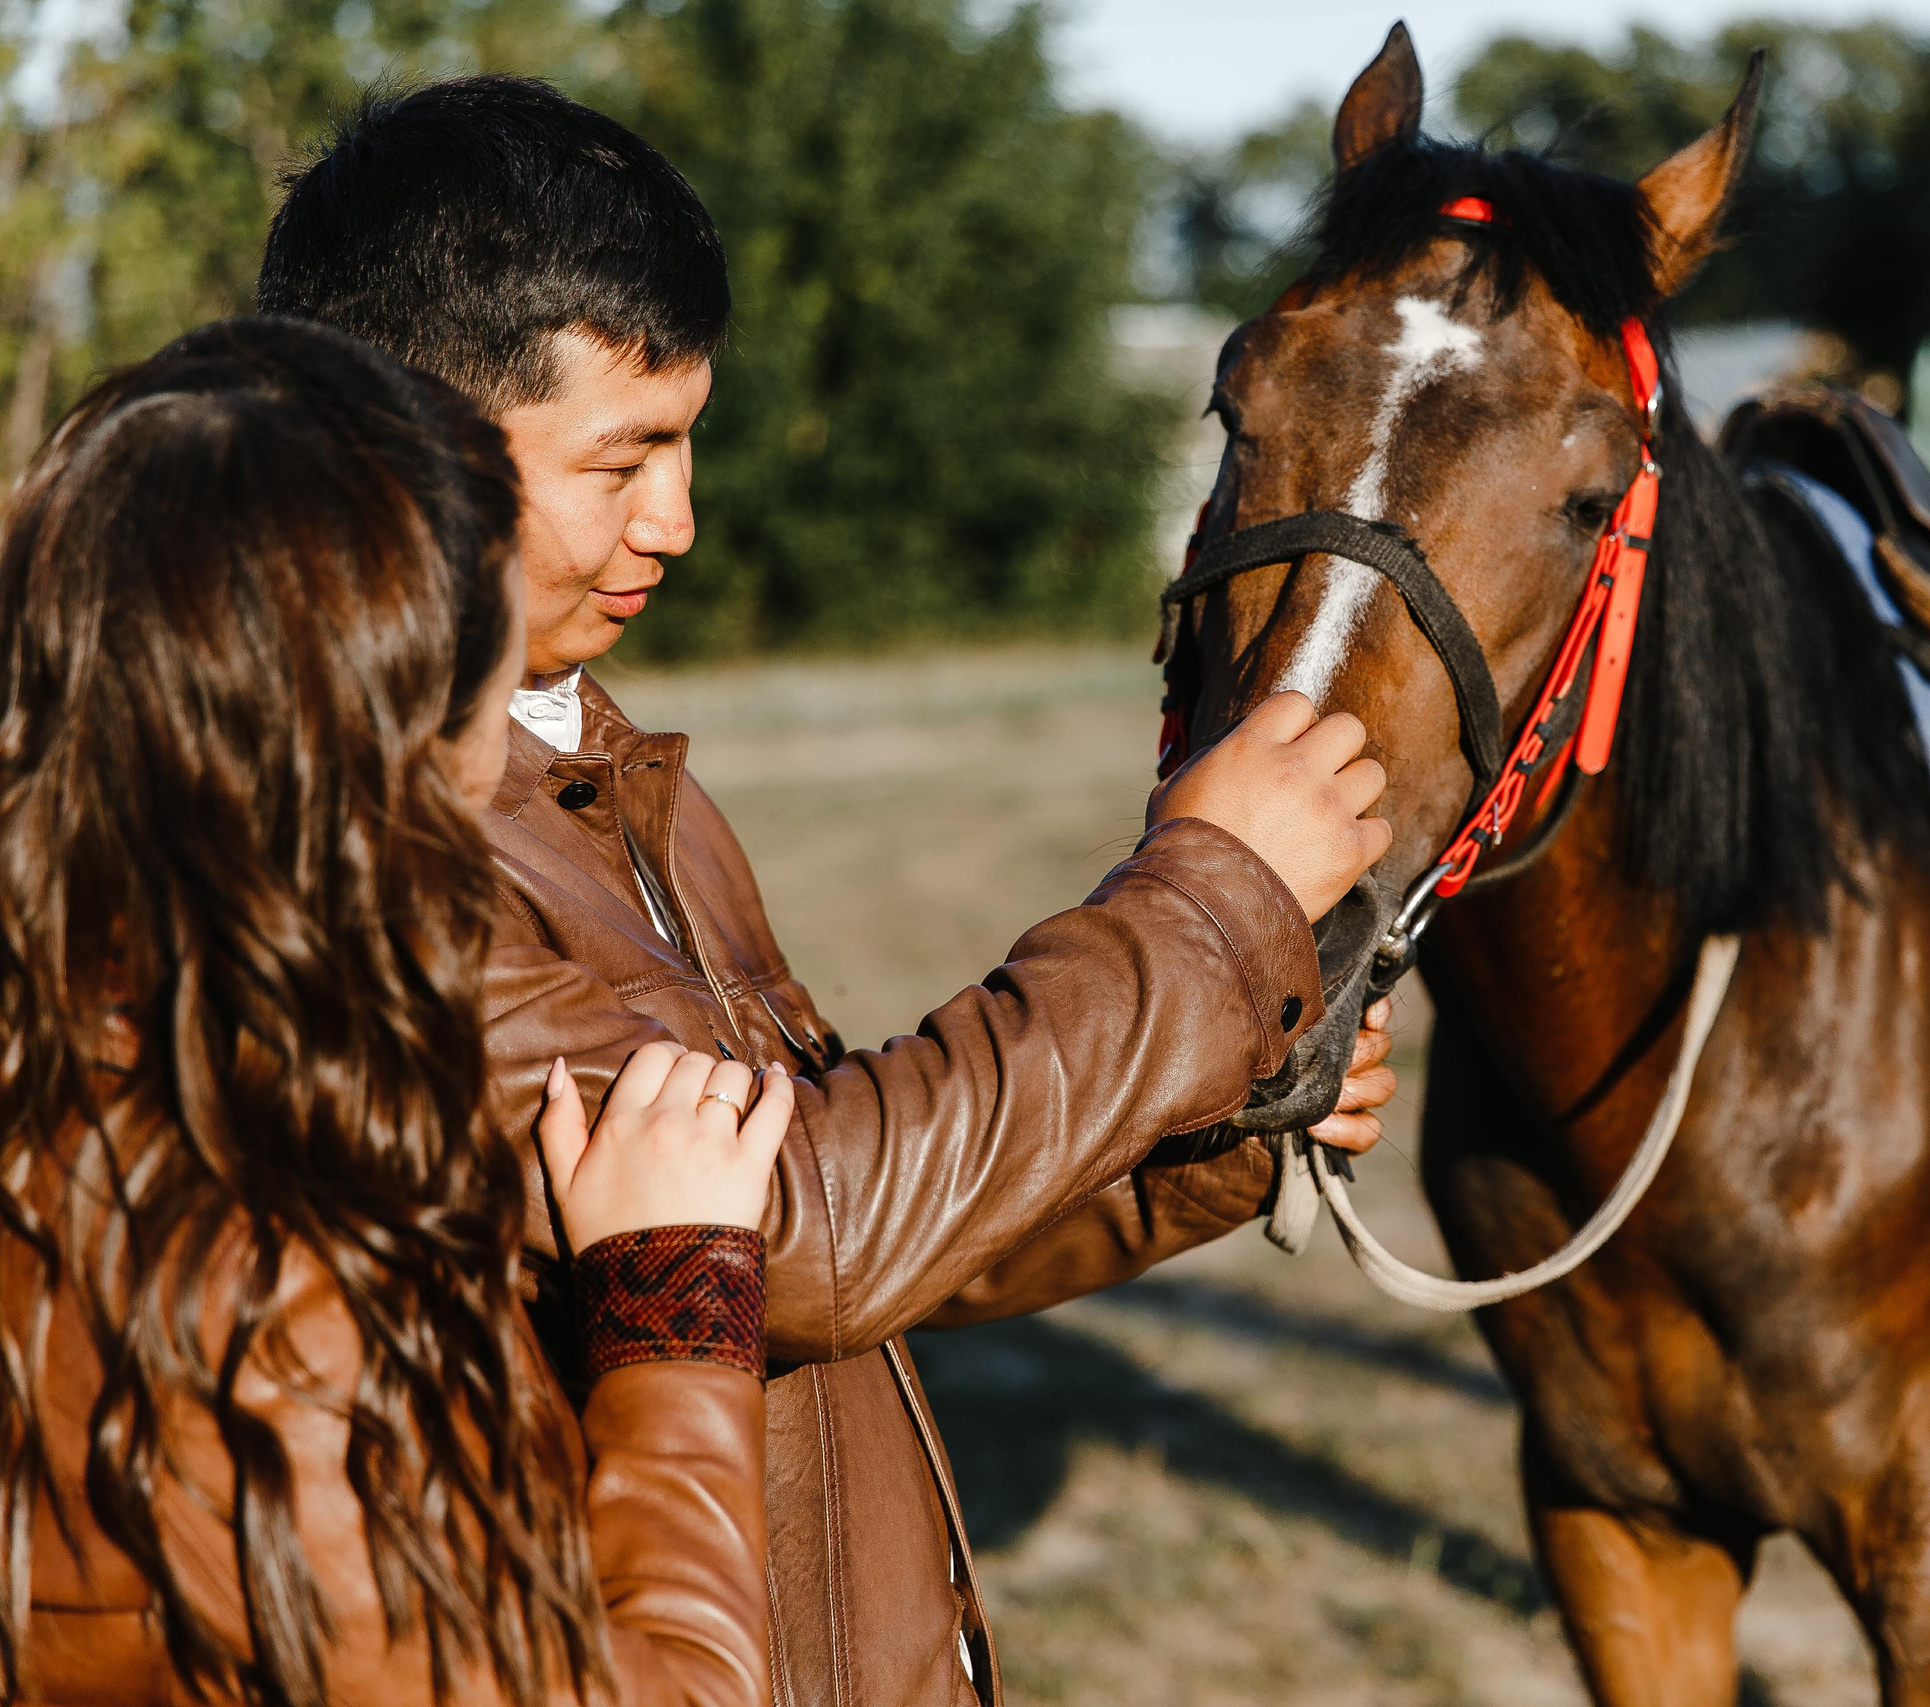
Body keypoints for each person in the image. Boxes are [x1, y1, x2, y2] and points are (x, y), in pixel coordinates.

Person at [255, 76, 1399, 1706]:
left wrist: (1197, 1134)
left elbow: (877, 1211)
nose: (681, 521)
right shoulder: (347, 831)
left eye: (691, 443)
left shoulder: (604, 758)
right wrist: (1207, 907)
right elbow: (781, 1247)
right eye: (624, 457)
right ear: (407, 452)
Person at [0, 317, 793, 1703]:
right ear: (390, 749)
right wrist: (678, 1307)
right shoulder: (260, 1290)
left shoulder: (69, 1066)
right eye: (494, 691)